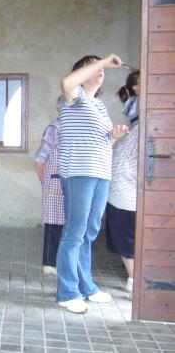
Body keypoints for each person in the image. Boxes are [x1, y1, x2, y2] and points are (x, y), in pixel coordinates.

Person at [56, 54, 129, 314]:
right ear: (82, 72)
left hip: (101, 173)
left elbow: (101, 143)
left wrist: (113, 137)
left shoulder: (99, 106)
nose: (101, 71)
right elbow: (66, 82)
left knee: (89, 233)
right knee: (74, 232)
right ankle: (67, 292)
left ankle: (86, 287)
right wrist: (104, 60)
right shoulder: (72, 98)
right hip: (78, 172)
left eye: (102, 68)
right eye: (93, 66)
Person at [105, 70, 140, 297]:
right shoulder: (138, 126)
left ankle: (134, 278)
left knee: (128, 238)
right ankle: (134, 279)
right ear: (136, 88)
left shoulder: (137, 126)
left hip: (123, 190)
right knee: (128, 238)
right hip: (124, 191)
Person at [34, 118, 64, 275]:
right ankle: (50, 263)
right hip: (56, 180)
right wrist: (46, 184)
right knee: (54, 222)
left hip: (74, 181)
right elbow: (40, 160)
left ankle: (63, 262)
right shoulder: (56, 126)